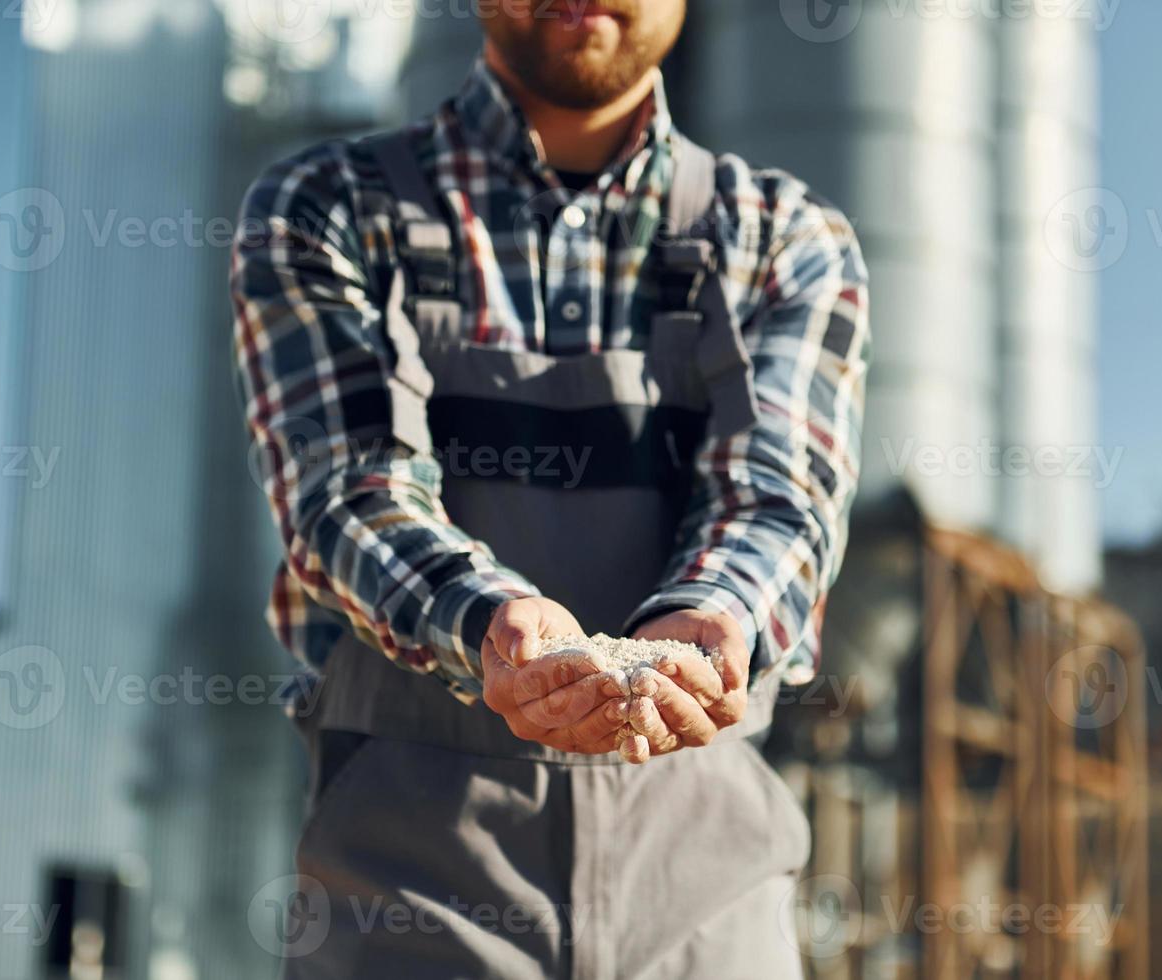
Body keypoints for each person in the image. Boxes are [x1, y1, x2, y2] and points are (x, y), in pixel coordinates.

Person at [231, 1, 870, 975]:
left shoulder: (786, 240)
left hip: (709, 915)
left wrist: (712, 619)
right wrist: (497, 626)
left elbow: (778, 497)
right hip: (411, 915)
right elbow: (350, 490)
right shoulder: (329, 208)